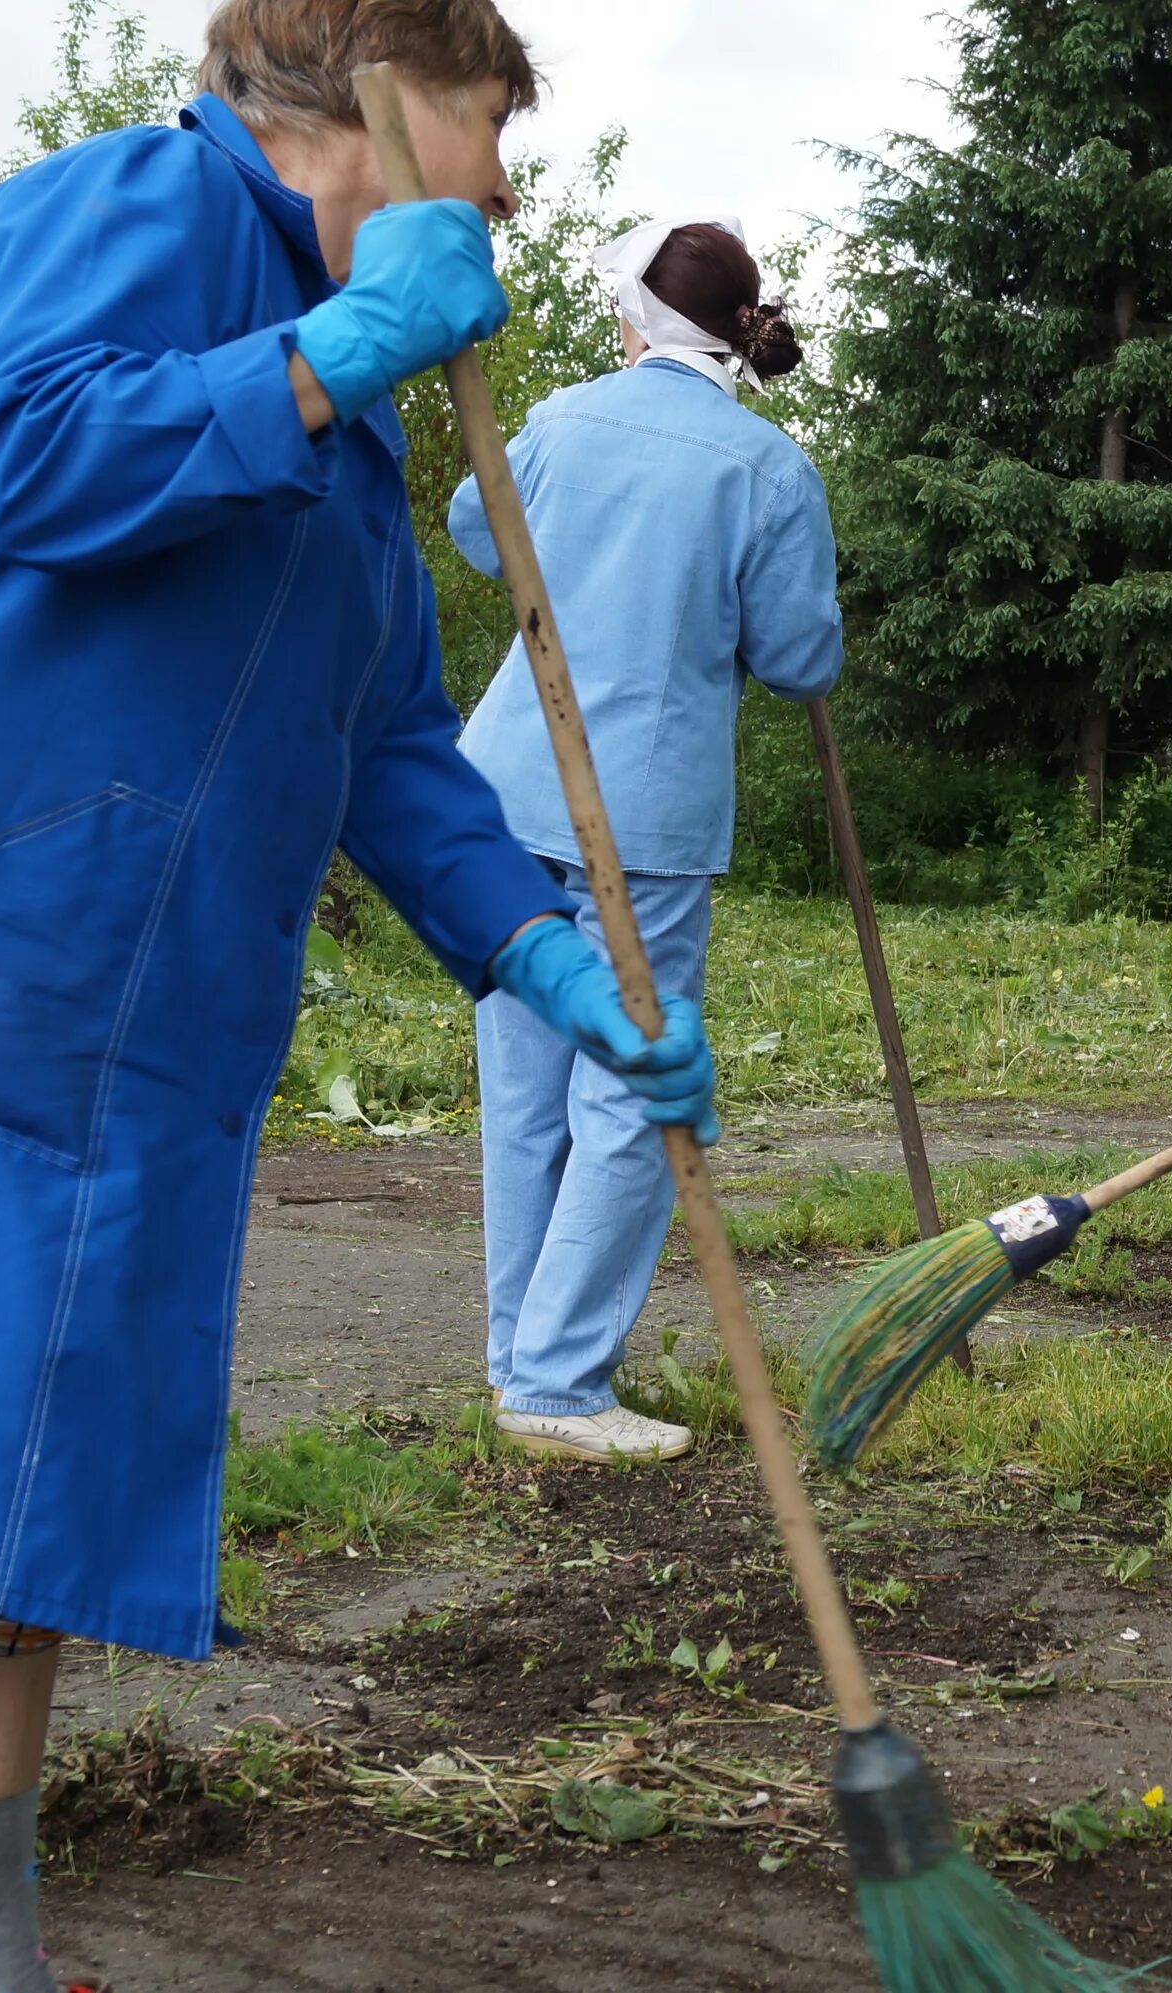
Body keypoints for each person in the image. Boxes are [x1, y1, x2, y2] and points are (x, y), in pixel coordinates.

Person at [0, 6, 712, 1985]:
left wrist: (536, 950)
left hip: (110, 1026)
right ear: (377, 93)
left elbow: (393, 744)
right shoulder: (144, 204)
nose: (508, 191)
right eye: (495, 132)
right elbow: (34, 457)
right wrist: (328, 358)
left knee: (25, 1518)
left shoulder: (357, 434)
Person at [455, 215, 841, 1465]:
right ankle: (558, 1385)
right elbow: (798, 659)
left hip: (508, 787)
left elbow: (476, 524)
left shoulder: (565, 418)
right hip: (647, 813)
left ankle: (526, 1366)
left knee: (524, 1092)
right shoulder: (768, 467)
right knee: (626, 1085)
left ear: (637, 320)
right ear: (738, 329)